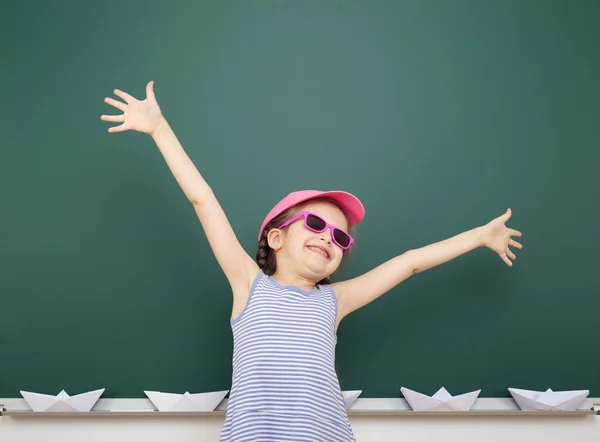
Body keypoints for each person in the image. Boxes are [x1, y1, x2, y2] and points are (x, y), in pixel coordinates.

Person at [101, 81, 523, 441]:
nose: (329, 238)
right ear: (277, 237)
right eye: (316, 223)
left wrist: (480, 236)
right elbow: (203, 199)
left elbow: (409, 262)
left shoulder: (334, 301)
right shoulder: (249, 285)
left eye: (340, 236)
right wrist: (159, 129)